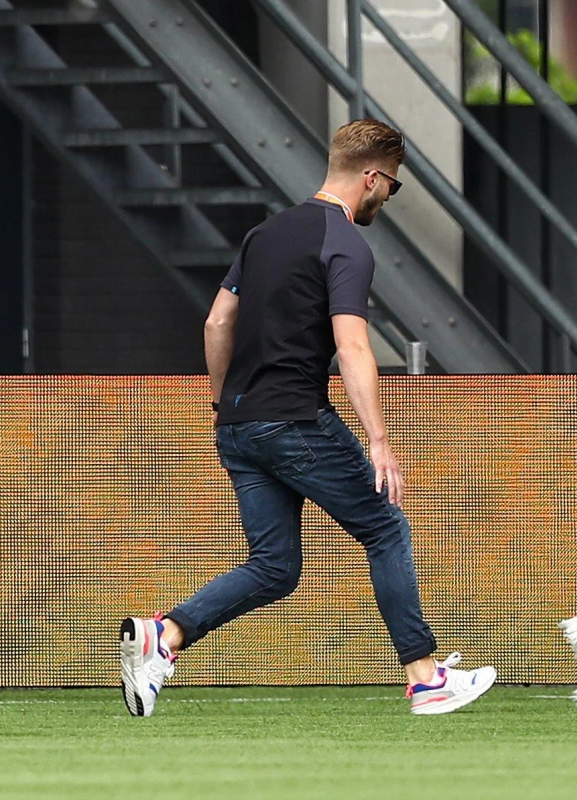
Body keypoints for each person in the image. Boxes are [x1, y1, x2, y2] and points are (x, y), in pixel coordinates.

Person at [118, 119, 496, 717]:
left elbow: (217, 324)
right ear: (371, 177)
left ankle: (162, 637)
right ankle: (427, 679)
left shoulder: (264, 235)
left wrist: (225, 407)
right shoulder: (345, 244)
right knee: (385, 527)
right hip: (295, 422)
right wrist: (378, 440)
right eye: (391, 188)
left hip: (239, 429)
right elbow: (352, 348)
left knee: (275, 567)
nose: (387, 199)